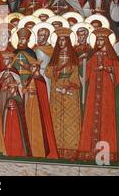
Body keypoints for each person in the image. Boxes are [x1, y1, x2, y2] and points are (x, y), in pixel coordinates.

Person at [77, 28, 119, 162]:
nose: (100, 41)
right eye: (98, 39)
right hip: (92, 92)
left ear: (106, 41)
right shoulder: (93, 56)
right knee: (91, 116)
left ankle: (106, 153)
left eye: (102, 39)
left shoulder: (111, 56)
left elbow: (118, 71)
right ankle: (88, 151)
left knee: (106, 117)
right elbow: (85, 76)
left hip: (106, 91)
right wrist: (82, 64)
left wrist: (106, 69)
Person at [45, 27, 81, 160]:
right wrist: (57, 69)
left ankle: (71, 151)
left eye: (63, 40)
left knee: (70, 120)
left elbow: (76, 75)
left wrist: (69, 85)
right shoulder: (54, 56)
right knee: (56, 119)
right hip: (56, 91)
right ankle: (56, 149)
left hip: (70, 91)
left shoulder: (72, 56)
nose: (61, 43)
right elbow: (47, 73)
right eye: (59, 40)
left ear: (67, 41)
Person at [22, 61, 58, 159]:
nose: (31, 68)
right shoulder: (30, 78)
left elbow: (42, 95)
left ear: (37, 68)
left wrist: (31, 90)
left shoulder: (40, 79)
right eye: (31, 67)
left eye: (33, 67)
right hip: (29, 103)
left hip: (37, 107)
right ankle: (30, 151)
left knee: (37, 126)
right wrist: (25, 89)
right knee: (29, 126)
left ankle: (39, 152)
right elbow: (25, 89)